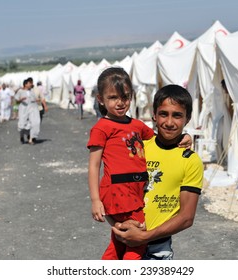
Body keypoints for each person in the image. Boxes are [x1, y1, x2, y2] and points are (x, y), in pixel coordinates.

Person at [87, 68, 192, 260]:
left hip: (134, 191)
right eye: (113, 97)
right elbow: (94, 165)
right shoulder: (101, 128)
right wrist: (95, 200)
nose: (120, 103)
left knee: (119, 240)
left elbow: (160, 138)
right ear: (100, 99)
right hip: (119, 191)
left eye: (125, 97)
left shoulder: (136, 125)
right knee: (137, 240)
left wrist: (184, 137)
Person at [112, 84, 204, 260]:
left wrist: (144, 236)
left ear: (188, 118)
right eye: (164, 114)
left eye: (177, 115)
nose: (169, 122)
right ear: (154, 115)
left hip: (158, 250)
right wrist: (118, 224)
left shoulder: (190, 160)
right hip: (124, 240)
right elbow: (114, 189)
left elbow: (186, 217)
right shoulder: (139, 147)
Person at [14, 78, 40, 144]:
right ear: (25, 84)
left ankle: (31, 139)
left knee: (34, 123)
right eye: (30, 83)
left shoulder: (32, 91)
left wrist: (36, 100)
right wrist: (20, 99)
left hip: (32, 110)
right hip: (23, 110)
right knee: (22, 124)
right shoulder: (20, 91)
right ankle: (21, 135)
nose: (31, 84)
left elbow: (34, 99)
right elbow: (16, 100)